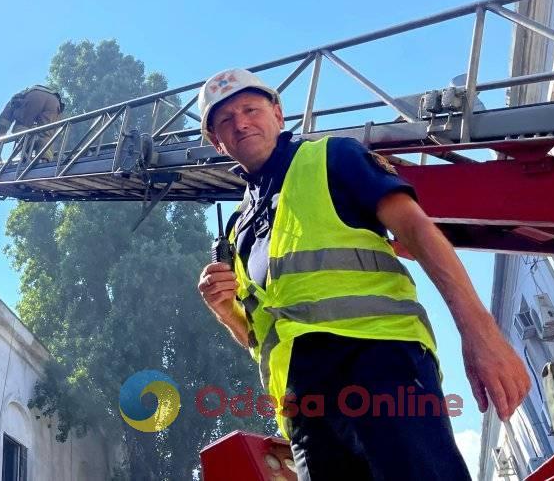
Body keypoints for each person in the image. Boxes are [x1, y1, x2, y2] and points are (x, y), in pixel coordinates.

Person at [196, 68, 529, 480]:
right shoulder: (236, 230)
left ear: (279, 115)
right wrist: (227, 311)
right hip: (305, 406)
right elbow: (261, 335)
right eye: (225, 120)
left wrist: (481, 334)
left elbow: (418, 231)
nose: (241, 123)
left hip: (379, 365)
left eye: (250, 109)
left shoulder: (333, 157)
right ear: (216, 141)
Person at [0, 85, 65, 162]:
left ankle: (29, 149)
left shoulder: (12, 103)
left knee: (20, 128)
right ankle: (44, 159)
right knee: (46, 135)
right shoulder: (20, 97)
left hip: (34, 97)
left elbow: (3, 123)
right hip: (54, 101)